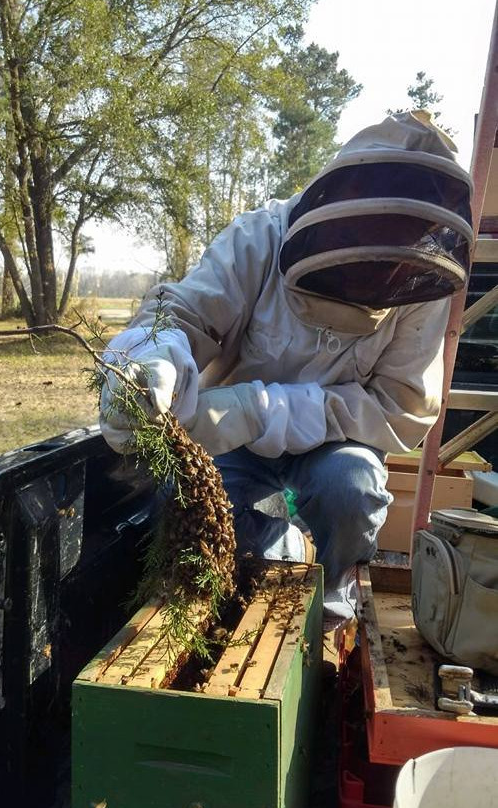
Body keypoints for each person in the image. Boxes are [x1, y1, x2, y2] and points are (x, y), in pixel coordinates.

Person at [99, 110, 474, 615]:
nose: (373, 276)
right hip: (233, 439)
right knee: (193, 510)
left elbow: (401, 408)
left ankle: (337, 589)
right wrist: (154, 356)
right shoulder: (259, 238)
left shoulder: (419, 283)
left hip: (335, 444)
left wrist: (263, 408)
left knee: (351, 489)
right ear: (343, 204)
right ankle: (284, 545)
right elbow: (186, 312)